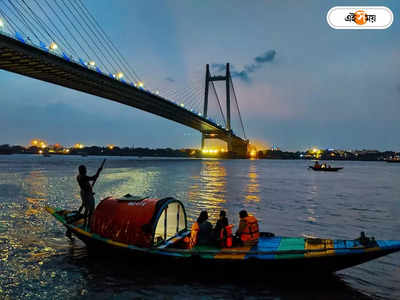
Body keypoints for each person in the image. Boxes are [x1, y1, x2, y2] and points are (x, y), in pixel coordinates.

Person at [77, 164, 103, 230]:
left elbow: (86, 185)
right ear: (82, 170)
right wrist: (99, 171)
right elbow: (94, 178)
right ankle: (86, 225)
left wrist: (90, 192)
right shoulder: (82, 177)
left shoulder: (80, 176)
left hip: (87, 193)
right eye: (85, 169)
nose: (86, 170)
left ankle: (88, 224)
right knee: (89, 210)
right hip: (86, 194)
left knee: (89, 209)